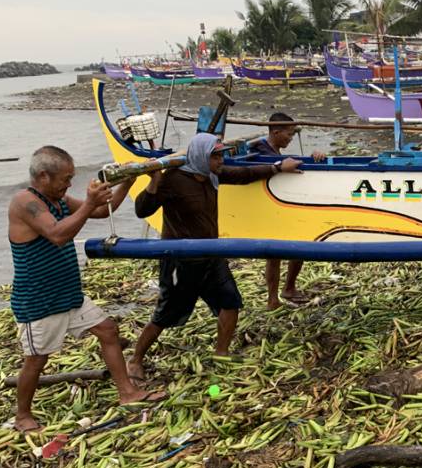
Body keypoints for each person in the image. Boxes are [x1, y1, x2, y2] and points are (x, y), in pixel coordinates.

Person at [8, 145, 163, 432]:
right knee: (36, 359)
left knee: (107, 330)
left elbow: (105, 211)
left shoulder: (59, 199)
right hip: (39, 300)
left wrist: (129, 179)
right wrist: (90, 203)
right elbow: (57, 235)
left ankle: (127, 393)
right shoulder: (25, 202)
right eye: (65, 179)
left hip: (69, 294)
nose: (69, 184)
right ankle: (22, 416)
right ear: (43, 176)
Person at [127, 133, 301, 378]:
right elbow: (142, 209)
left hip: (211, 255)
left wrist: (277, 166)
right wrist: (154, 181)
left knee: (231, 303)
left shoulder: (211, 175)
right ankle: (135, 360)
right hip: (181, 259)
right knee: (165, 315)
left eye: (221, 155)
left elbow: (244, 175)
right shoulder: (173, 180)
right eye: (216, 156)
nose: (221, 160)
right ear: (201, 156)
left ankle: (221, 351)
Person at [249, 112, 326, 309]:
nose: (291, 138)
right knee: (273, 254)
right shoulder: (260, 152)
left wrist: (313, 158)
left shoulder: (274, 151)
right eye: (288, 135)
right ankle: (272, 299)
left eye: (293, 135)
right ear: (276, 132)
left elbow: (289, 164)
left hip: (286, 203)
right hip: (268, 205)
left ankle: (289, 288)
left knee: (298, 245)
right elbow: (262, 169)